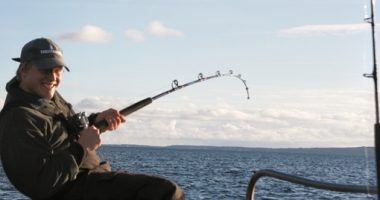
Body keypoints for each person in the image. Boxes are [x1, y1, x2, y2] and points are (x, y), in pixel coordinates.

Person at [0, 38, 185, 200]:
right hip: (71, 188)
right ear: (23, 69)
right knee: (166, 192)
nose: (53, 77)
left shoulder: (44, 97)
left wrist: (96, 121)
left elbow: (64, 129)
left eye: (58, 70)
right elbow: (40, 184)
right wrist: (82, 148)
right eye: (45, 69)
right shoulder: (18, 119)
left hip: (92, 177)